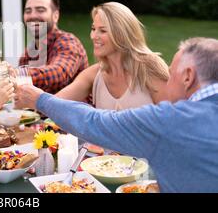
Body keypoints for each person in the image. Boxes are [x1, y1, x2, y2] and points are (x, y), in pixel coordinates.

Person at [15, 37, 218, 192]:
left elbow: (95, 123)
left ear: (188, 77)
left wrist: (40, 99)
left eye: (171, 73)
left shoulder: (171, 121)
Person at [55, 2, 169, 110]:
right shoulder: (93, 75)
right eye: (93, 29)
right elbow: (52, 104)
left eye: (102, 31)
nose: (94, 36)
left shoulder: (149, 67)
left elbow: (173, 117)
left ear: (122, 34)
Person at [19, 0, 89, 94]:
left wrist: (19, 74)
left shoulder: (68, 42)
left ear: (55, 16)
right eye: (28, 11)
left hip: (71, 110)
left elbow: (59, 74)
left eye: (40, 10)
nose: (32, 16)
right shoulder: (28, 53)